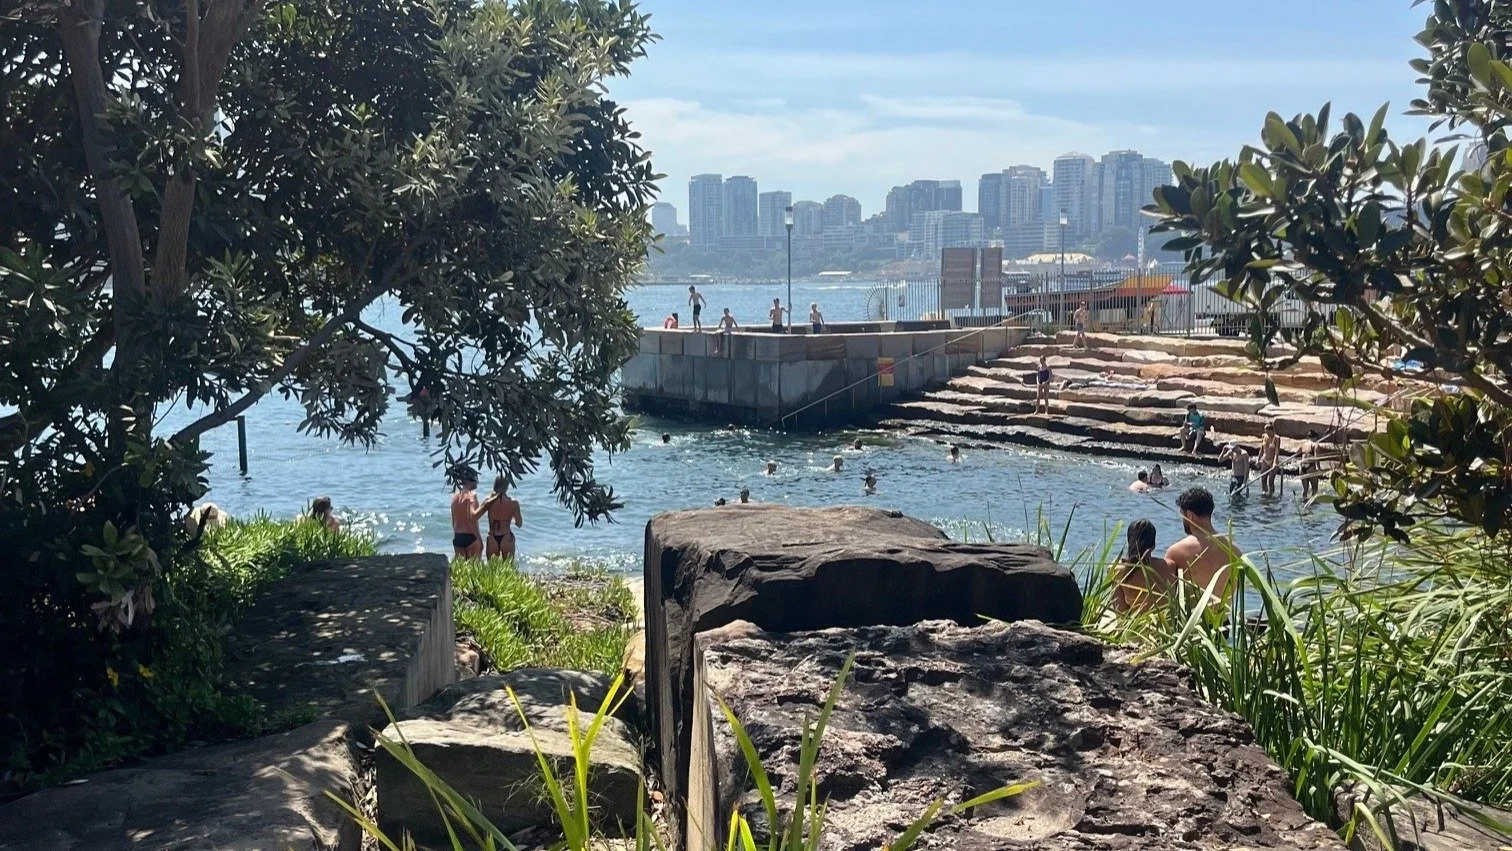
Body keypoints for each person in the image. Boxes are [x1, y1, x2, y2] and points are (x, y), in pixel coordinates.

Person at [1163, 487, 1242, 608]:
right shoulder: (1235, 552)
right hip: (1224, 624)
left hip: (1192, 624)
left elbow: (1166, 595)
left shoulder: (1177, 551)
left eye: (1182, 515)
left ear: (1190, 515)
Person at [1112, 519, 1172, 613]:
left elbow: (1120, 612)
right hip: (1164, 625)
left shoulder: (1118, 569)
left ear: (1129, 541)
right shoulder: (1169, 566)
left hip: (1136, 626)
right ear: (1153, 545)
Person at [449, 468, 491, 559]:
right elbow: (473, 519)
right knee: (474, 570)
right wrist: (479, 540)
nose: (477, 483)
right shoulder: (472, 495)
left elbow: (453, 521)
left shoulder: (454, 497)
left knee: (461, 570)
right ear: (469, 480)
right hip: (471, 537)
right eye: (476, 480)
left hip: (458, 537)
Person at [484, 475, 523, 561]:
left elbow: (477, 515)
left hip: (492, 537)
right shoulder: (513, 503)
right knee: (509, 568)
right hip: (506, 537)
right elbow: (519, 524)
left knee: (491, 570)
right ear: (507, 486)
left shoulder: (488, 501)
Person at [1258, 422, 1281, 496]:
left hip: (1273, 460)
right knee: (1263, 479)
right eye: (1265, 431)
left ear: (1272, 431)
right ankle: (1264, 493)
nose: (1267, 433)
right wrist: (1258, 460)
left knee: (1271, 480)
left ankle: (1271, 494)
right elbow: (1261, 449)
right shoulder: (1264, 436)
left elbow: (1277, 451)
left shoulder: (1277, 438)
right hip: (1265, 459)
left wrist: (1274, 462)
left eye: (1268, 432)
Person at [1301, 429, 1322, 499]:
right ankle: (1313, 503)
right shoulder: (1315, 445)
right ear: (1315, 438)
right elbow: (1316, 458)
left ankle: (1303, 502)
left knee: (1305, 489)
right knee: (1315, 487)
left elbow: (1297, 452)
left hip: (1302, 467)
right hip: (1310, 467)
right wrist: (1319, 470)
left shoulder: (1303, 445)